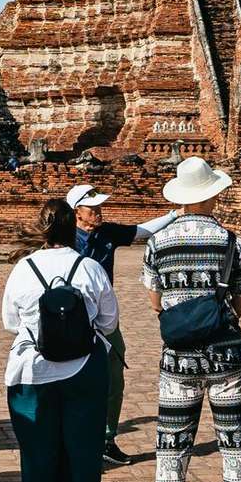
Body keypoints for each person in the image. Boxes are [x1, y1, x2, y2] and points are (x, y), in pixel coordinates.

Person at [141, 157, 241, 482]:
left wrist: (184, 315)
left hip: (178, 358)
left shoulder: (159, 242)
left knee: (172, 442)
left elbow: (155, 301)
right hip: (227, 357)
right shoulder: (232, 242)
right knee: (236, 442)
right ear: (214, 194)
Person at [3, 200, 118, 482]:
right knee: (84, 445)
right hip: (84, 367)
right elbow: (109, 323)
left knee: (38, 445)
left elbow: (11, 323)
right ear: (72, 229)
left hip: (32, 370)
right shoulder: (89, 267)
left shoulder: (23, 267)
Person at [65, 184, 181, 466]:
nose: (98, 212)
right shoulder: (64, 236)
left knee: (113, 378)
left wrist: (173, 215)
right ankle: (70, 440)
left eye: (99, 207)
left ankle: (106, 438)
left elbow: (142, 231)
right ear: (77, 212)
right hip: (69, 320)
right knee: (69, 381)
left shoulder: (108, 233)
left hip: (104, 321)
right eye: (92, 208)